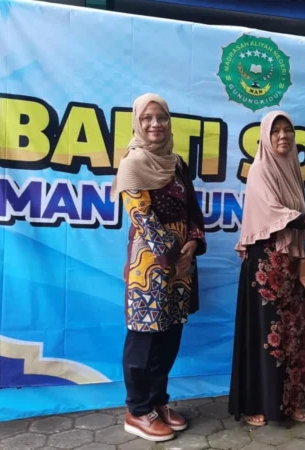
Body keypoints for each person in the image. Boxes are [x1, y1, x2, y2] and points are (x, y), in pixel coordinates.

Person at [228, 111, 305, 427]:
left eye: (288, 130)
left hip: (292, 265)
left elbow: (295, 220)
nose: (283, 136)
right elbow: (275, 214)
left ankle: (292, 400)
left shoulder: (292, 170)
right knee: (267, 336)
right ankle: (259, 403)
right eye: (276, 131)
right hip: (266, 266)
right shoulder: (260, 170)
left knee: (293, 333)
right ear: (265, 138)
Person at [111, 93, 206, 442]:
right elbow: (143, 218)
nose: (155, 124)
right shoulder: (133, 163)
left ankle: (157, 401)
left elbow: (191, 209)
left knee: (169, 336)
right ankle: (137, 410)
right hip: (149, 267)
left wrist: (193, 242)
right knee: (144, 338)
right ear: (138, 122)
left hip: (181, 265)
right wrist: (174, 254)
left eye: (162, 117)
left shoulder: (176, 162)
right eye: (147, 118)